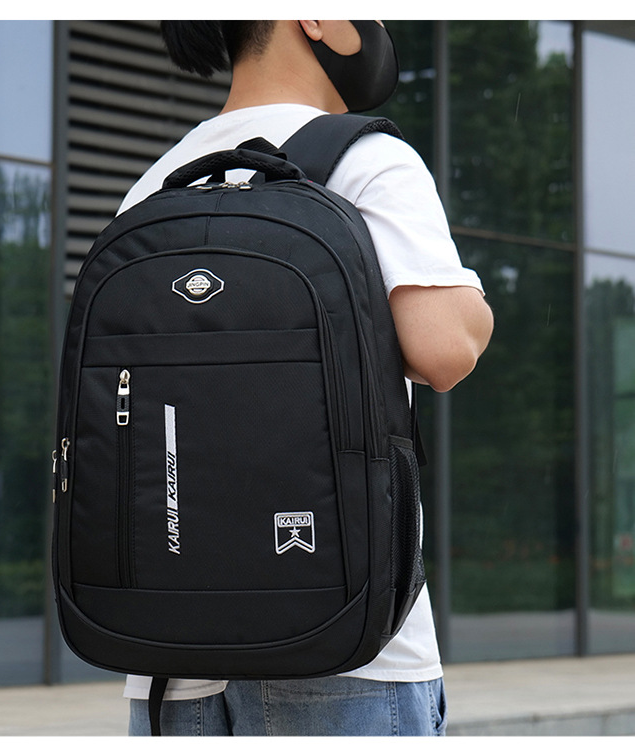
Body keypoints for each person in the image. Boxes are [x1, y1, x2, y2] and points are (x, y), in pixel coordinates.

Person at [119, 20, 494, 736]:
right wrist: (472, 303)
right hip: (343, 649)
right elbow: (445, 348)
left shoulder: (156, 184)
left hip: (167, 656)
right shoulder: (365, 159)